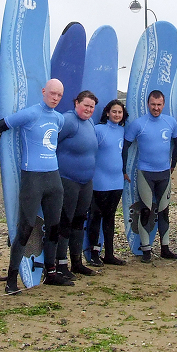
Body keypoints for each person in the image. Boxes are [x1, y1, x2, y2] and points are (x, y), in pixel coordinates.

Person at [0, 79, 69, 294]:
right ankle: (11, 278)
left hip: (53, 178)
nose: (55, 98)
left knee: (54, 227)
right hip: (32, 178)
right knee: (25, 227)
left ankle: (51, 272)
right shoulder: (30, 114)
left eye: (59, 95)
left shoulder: (59, 119)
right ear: (43, 91)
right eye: (52, 93)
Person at [123, 90, 177, 263]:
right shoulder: (138, 124)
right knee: (146, 211)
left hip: (164, 173)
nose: (156, 108)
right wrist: (123, 169)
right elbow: (125, 146)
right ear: (148, 104)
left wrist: (173, 164)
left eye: (159, 105)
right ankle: (146, 249)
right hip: (145, 174)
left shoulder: (170, 122)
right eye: (153, 104)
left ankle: (165, 248)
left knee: (164, 211)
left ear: (163, 105)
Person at [53, 90, 99, 279]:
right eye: (85, 105)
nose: (88, 109)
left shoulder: (90, 122)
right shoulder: (68, 120)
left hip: (85, 181)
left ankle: (77, 262)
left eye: (92, 107)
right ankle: (61, 264)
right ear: (76, 103)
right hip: (67, 180)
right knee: (65, 221)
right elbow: (51, 144)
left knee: (80, 221)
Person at [86, 100, 129, 266]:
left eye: (120, 112)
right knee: (96, 216)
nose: (117, 115)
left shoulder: (122, 131)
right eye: (114, 112)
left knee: (110, 218)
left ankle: (109, 254)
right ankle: (94, 254)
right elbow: (89, 152)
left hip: (117, 181)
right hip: (99, 181)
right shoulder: (98, 130)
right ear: (107, 113)